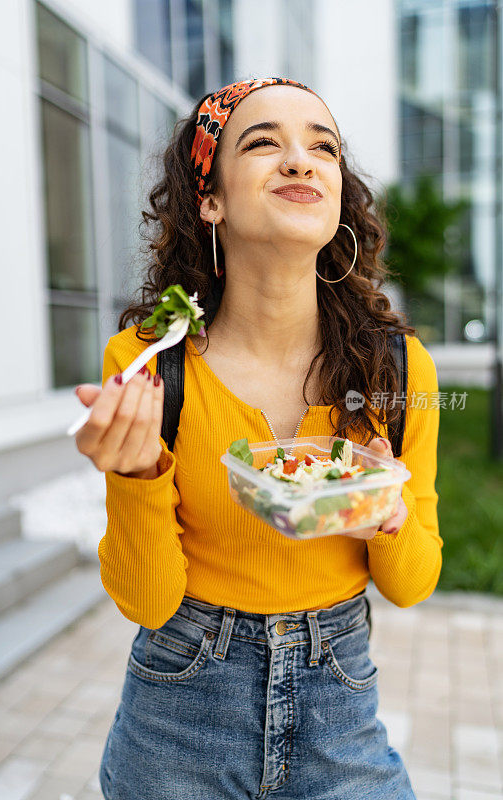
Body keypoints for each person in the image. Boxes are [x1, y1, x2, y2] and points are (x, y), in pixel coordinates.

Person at [75, 76, 441, 799]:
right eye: (263, 142)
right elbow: (148, 602)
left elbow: (412, 581)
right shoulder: (149, 362)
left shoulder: (397, 367)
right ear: (208, 200)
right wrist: (135, 473)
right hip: (179, 706)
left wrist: (384, 511)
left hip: (339, 699)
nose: (301, 161)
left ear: (338, 198)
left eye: (322, 147)